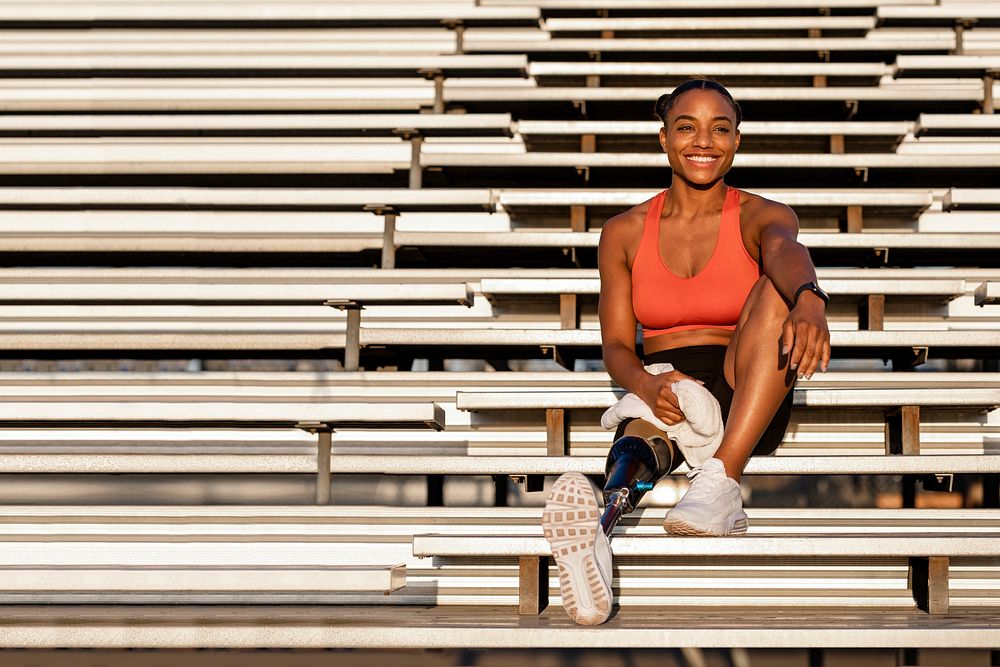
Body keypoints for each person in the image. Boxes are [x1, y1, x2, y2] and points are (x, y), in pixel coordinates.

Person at [541, 78, 831, 625]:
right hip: (668, 379)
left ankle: (720, 482)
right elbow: (618, 346)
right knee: (641, 435)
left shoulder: (762, 214)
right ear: (664, 139)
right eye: (687, 127)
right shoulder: (624, 231)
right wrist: (646, 384)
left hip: (749, 380)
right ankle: (598, 536)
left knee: (775, 285)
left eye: (720, 128)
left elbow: (785, 251)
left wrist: (809, 298)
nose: (705, 141)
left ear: (737, 141)